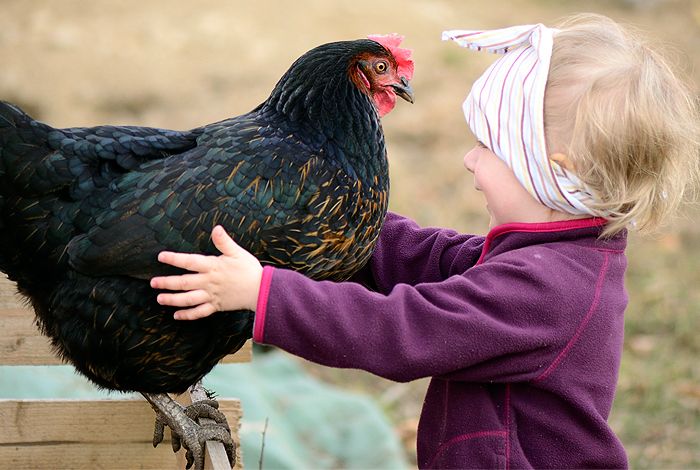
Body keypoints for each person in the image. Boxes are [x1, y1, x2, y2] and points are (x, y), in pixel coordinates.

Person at [150, 14, 698, 469]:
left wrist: (264, 293)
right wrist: (331, 211)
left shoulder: (546, 289)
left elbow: (402, 330)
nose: (470, 159)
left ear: (554, 173)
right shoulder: (553, 257)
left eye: (488, 148)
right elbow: (431, 259)